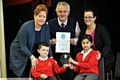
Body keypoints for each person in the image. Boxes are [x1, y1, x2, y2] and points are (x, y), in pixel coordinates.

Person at [9, 4, 53, 77]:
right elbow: (22, 46)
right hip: (20, 53)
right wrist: (31, 57)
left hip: (33, 51)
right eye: (39, 16)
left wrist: (51, 57)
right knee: (23, 75)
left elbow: (46, 43)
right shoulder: (25, 27)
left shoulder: (46, 27)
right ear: (34, 16)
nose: (42, 18)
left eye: (44, 16)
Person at [77, 8, 115, 78]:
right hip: (88, 61)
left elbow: (107, 45)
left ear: (94, 18)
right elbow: (79, 46)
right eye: (85, 17)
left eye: (90, 17)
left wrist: (101, 54)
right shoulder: (83, 31)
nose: (87, 19)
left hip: (102, 59)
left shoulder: (101, 30)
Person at [47, 1, 81, 80]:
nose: (62, 14)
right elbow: (45, 40)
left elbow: (79, 38)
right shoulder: (49, 23)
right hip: (54, 56)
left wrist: (74, 41)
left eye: (65, 11)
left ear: (68, 12)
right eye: (60, 11)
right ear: (56, 12)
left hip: (70, 56)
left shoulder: (74, 23)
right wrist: (51, 42)